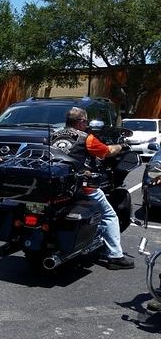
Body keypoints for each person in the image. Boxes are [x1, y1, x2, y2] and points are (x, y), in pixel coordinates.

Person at [50, 107, 134, 270]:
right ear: (80, 122)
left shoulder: (53, 135)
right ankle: (115, 256)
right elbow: (107, 151)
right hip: (81, 187)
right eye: (86, 121)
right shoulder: (85, 138)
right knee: (110, 215)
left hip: (57, 187)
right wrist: (122, 146)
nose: (86, 124)